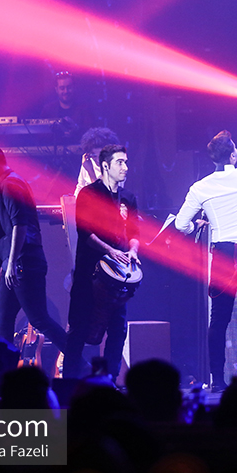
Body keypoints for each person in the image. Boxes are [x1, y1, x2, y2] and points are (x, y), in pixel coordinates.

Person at [175, 105, 237, 391]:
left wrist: (196, 226)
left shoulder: (201, 187)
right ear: (233, 155)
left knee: (219, 320)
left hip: (222, 254)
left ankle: (218, 381)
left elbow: (181, 224)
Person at [0, 145, 67, 352]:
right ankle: (4, 367)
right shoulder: (8, 184)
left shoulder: (11, 185)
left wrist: (12, 262)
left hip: (22, 264)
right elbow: (16, 224)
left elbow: (20, 225)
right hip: (15, 265)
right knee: (3, 319)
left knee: (39, 319)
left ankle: (80, 362)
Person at [64, 144, 140, 380]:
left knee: (117, 329)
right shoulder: (89, 194)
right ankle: (70, 381)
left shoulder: (128, 197)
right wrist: (109, 250)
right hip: (89, 274)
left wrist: (133, 250)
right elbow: (85, 232)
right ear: (105, 165)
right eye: (120, 162)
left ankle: (107, 379)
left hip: (117, 276)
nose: (125, 167)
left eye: (126, 162)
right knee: (79, 328)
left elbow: (135, 232)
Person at [40, 71, 95, 142]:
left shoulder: (84, 109)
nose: (66, 91)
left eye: (69, 87)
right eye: (62, 88)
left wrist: (77, 130)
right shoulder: (48, 110)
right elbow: (41, 136)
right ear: (56, 90)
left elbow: (92, 134)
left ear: (74, 87)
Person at [74, 127, 121, 196]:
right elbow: (80, 187)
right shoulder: (88, 163)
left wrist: (91, 172)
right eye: (94, 155)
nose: (98, 160)